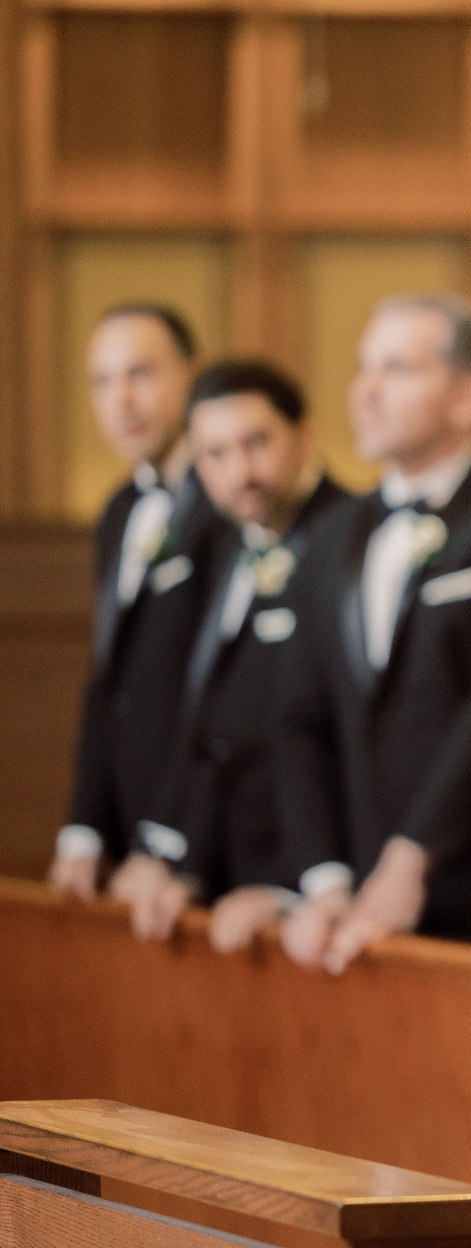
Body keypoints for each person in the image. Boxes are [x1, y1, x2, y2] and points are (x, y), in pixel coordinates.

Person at [276, 295, 471, 972]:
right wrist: (325, 878)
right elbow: (300, 717)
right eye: (363, 368)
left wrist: (413, 853)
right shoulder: (330, 535)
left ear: (469, 396)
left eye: (397, 368)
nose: (366, 390)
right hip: (356, 898)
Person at [106, 360, 352, 951]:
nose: (239, 471)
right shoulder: (219, 543)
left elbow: (347, 747)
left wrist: (296, 884)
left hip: (317, 890)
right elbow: (211, 724)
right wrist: (173, 858)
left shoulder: (350, 537)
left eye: (256, 442)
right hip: (227, 867)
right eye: (214, 454)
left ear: (306, 433)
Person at [49, 304, 227, 901]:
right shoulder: (119, 510)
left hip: (208, 845)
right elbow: (109, 681)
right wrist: (84, 830)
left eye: (140, 374)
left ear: (191, 377)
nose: (120, 400)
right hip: (130, 836)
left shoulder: (230, 508)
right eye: (102, 381)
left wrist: (169, 843)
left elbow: (226, 698)